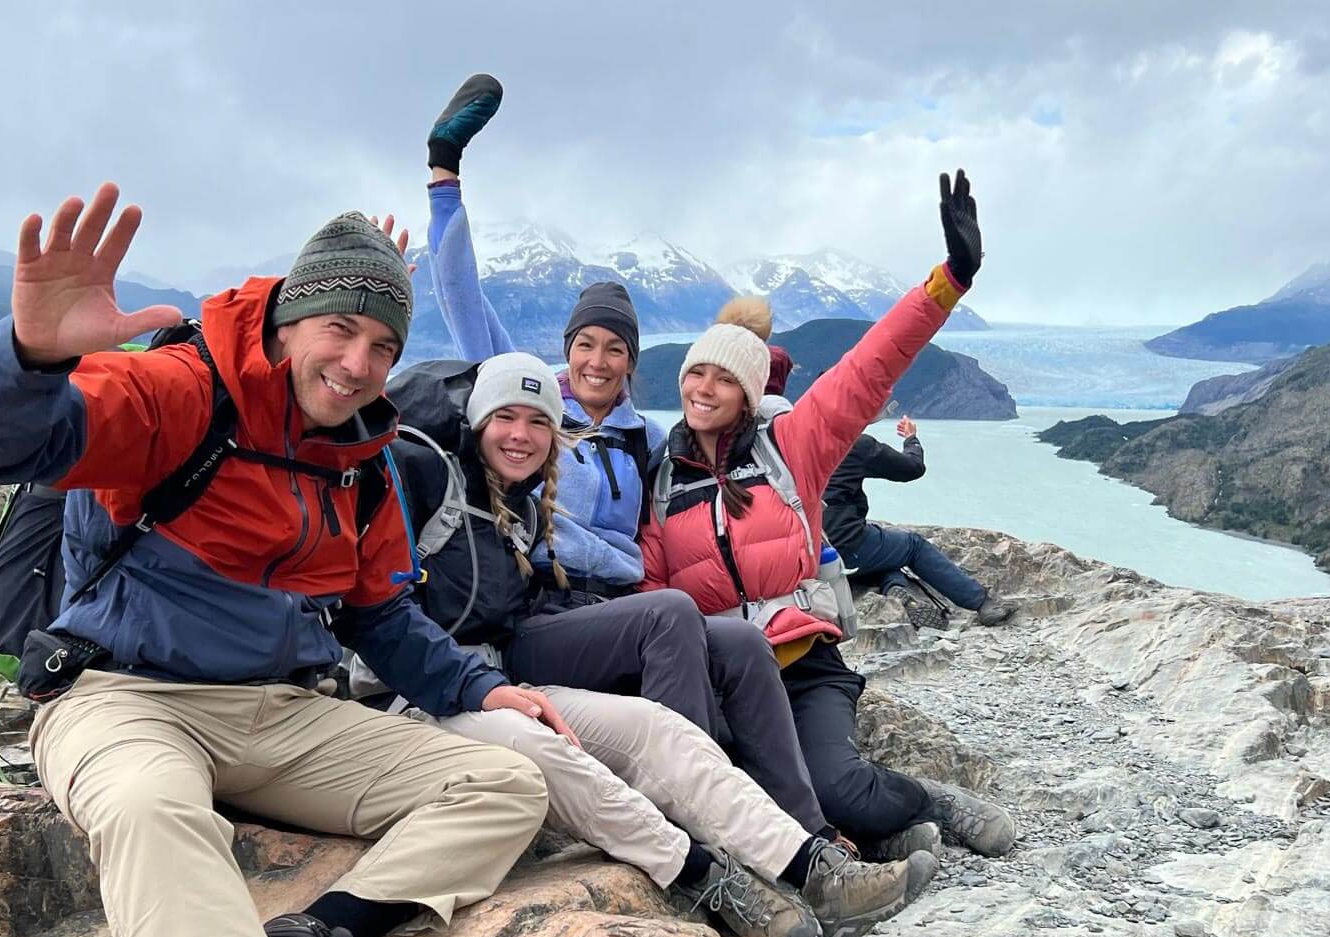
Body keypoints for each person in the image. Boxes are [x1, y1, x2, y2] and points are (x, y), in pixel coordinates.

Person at [0, 186, 564, 937]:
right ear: (288, 320)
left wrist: (478, 688)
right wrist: (31, 358)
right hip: (129, 696)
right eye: (340, 328)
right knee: (148, 807)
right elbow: (4, 444)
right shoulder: (185, 390)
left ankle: (322, 929)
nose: (357, 365)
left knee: (504, 784)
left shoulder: (362, 459)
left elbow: (379, 615)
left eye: (383, 347)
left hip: (281, 713)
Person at [355, 352, 935, 937]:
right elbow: (378, 604)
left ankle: (810, 852)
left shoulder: (529, 495)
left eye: (537, 422)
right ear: (477, 422)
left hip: (514, 656)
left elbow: (523, 598)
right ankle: (712, 862)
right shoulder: (427, 476)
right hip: (437, 687)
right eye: (505, 417)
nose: (521, 435)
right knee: (670, 615)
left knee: (732, 642)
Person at [420, 74, 832, 840]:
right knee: (671, 615)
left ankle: (802, 825)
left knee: (737, 641)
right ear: (564, 352)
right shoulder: (533, 408)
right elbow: (461, 298)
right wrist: (445, 177)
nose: (597, 361)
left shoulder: (650, 441)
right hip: (539, 610)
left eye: (614, 348)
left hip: (613, 614)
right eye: (584, 345)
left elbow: (719, 480)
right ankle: (706, 821)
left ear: (633, 362)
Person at [638, 171, 1019, 862]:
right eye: (698, 373)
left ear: (752, 393)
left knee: (838, 793)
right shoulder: (662, 480)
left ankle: (931, 802)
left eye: (726, 379)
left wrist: (951, 278)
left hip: (803, 662)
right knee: (749, 807)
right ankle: (887, 835)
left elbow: (869, 368)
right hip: (724, 679)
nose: (706, 388)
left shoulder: (792, 449)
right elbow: (652, 597)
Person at [824, 415, 1018, 629]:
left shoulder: (796, 439)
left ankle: (895, 588)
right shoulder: (855, 445)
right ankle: (982, 603)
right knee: (912, 545)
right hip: (845, 547)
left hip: (805, 553)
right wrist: (911, 438)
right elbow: (912, 467)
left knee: (881, 554)